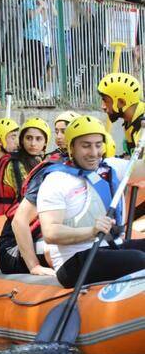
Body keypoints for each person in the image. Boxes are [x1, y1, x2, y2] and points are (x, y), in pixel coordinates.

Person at [37, 115, 145, 288]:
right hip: (73, 262)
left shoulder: (111, 167)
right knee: (139, 260)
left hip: (112, 248)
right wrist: (92, 231)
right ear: (72, 147)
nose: (94, 153)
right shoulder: (55, 180)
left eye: (98, 145)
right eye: (86, 146)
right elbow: (51, 233)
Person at [0, 117, 50, 218]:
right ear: (22, 140)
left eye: (38, 139)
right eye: (28, 138)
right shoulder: (15, 164)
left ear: (45, 143)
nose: (33, 143)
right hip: (12, 220)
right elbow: (27, 198)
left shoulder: (36, 160)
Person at [98, 71, 143, 155]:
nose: (103, 107)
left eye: (106, 101)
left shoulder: (142, 125)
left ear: (121, 102)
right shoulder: (130, 121)